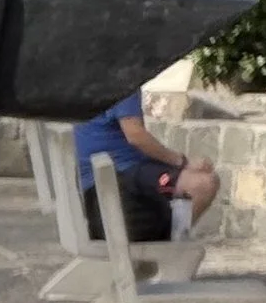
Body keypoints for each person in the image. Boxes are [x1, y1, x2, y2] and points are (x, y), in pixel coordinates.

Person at [75, 84, 220, 239]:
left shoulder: (82, 83)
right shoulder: (123, 83)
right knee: (203, 183)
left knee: (185, 181)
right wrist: (182, 161)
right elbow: (136, 136)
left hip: (95, 187)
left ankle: (173, 240)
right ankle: (175, 247)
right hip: (124, 178)